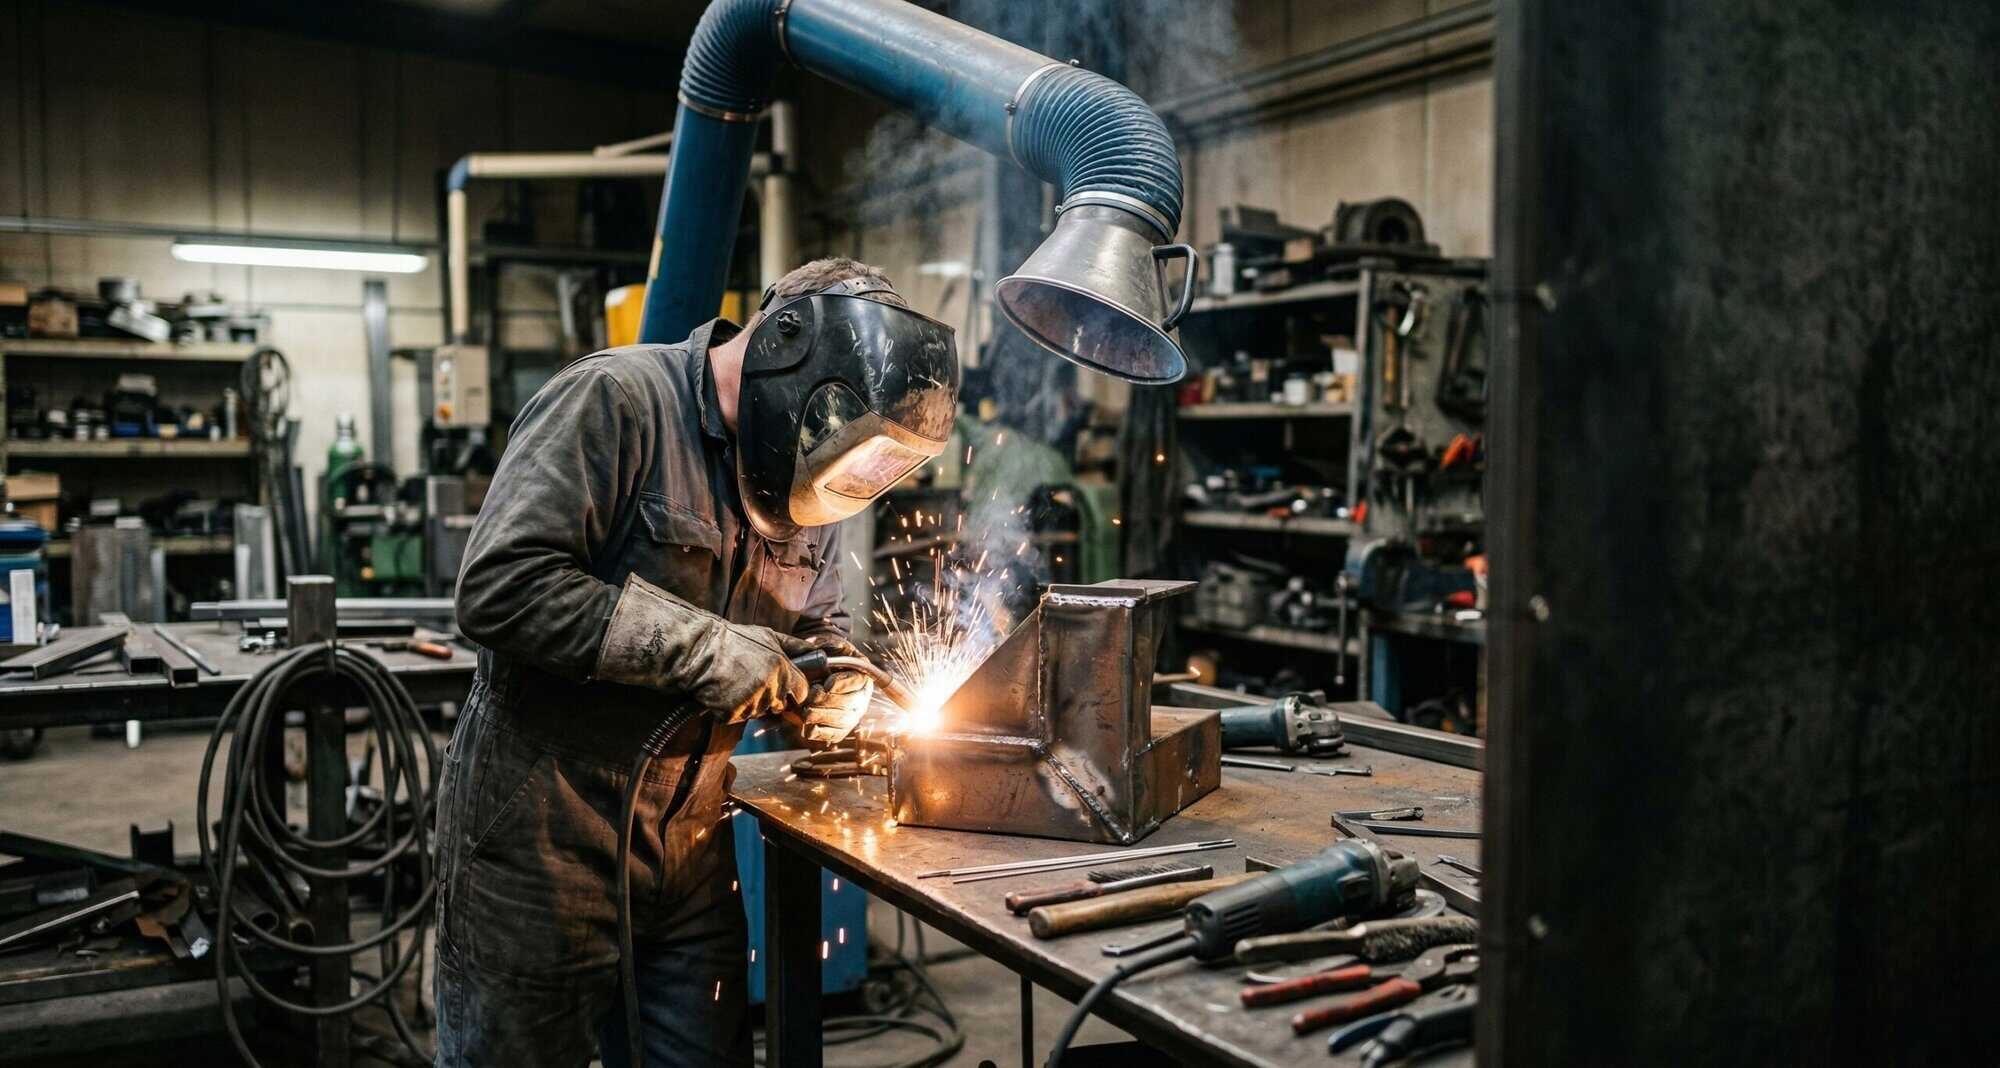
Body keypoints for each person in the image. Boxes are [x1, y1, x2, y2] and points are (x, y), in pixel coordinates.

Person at [434, 258, 959, 1066]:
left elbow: (820, 626)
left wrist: (834, 682)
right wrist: (705, 648)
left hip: (691, 844)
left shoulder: (809, 470)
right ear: (786, 350)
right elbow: (501, 587)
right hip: (541, 838)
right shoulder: (615, 400)